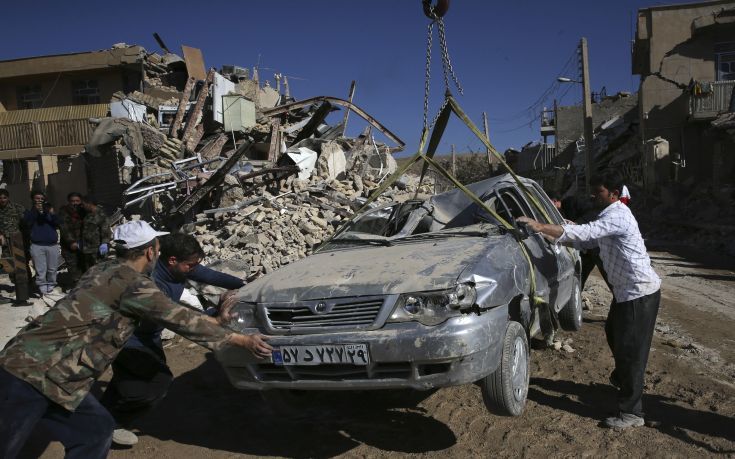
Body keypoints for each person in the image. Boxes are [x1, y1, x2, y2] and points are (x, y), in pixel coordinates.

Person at [0, 220, 272, 458]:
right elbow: (179, 319)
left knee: (95, 432)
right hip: (30, 371)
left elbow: (174, 311)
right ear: (150, 251)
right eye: (157, 246)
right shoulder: (135, 284)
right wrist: (242, 340)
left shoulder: (102, 269)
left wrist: (217, 317)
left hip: (61, 376)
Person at [517, 170, 661, 430]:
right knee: (614, 333)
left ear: (614, 194)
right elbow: (585, 236)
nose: (594, 194)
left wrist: (540, 226)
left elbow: (584, 234)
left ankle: (631, 412)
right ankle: (625, 378)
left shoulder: (617, 215)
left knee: (631, 352)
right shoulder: (607, 215)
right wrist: (557, 229)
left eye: (600, 191)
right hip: (626, 293)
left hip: (639, 293)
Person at [101, 233, 246, 446]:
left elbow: (212, 276)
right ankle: (111, 423)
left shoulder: (180, 269)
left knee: (126, 381)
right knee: (156, 384)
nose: (195, 269)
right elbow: (181, 322)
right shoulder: (154, 285)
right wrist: (221, 324)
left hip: (149, 336)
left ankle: (101, 417)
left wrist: (246, 285)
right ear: (172, 261)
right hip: (129, 339)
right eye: (191, 265)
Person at [23, 190, 61, 295]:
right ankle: (42, 288)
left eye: (41, 199)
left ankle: (51, 285)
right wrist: (35, 211)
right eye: (37, 198)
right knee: (40, 269)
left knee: (52, 268)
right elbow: (27, 223)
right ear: (33, 200)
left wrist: (51, 213)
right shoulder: (29, 212)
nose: (39, 201)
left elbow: (58, 222)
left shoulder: (49, 211)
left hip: (52, 245)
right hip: (37, 245)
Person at [59, 192, 86, 285]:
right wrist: (71, 242)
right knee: (73, 267)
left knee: (85, 266)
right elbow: (64, 228)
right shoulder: (64, 211)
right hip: (69, 246)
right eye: (72, 201)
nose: (75, 203)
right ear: (69, 202)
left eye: (77, 201)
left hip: (85, 244)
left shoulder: (85, 210)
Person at [80, 195, 111, 269]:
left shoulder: (101, 214)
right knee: (89, 271)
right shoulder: (87, 214)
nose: (82, 206)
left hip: (97, 250)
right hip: (88, 249)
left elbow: (105, 230)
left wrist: (104, 243)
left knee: (100, 271)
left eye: (83, 204)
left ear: (89, 204)